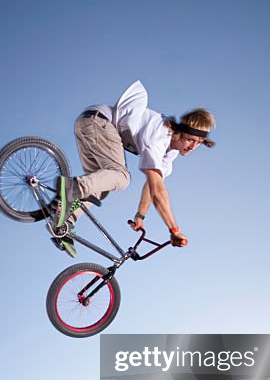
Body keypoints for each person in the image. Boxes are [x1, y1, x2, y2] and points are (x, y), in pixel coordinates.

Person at [52, 80, 216, 258]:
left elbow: (152, 185)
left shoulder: (170, 153)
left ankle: (63, 223)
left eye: (198, 143)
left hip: (89, 123)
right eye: (190, 139)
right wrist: (174, 229)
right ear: (180, 132)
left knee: (101, 186)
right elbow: (158, 190)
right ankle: (72, 188)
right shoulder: (160, 136)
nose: (192, 146)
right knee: (121, 177)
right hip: (98, 122)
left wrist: (140, 215)